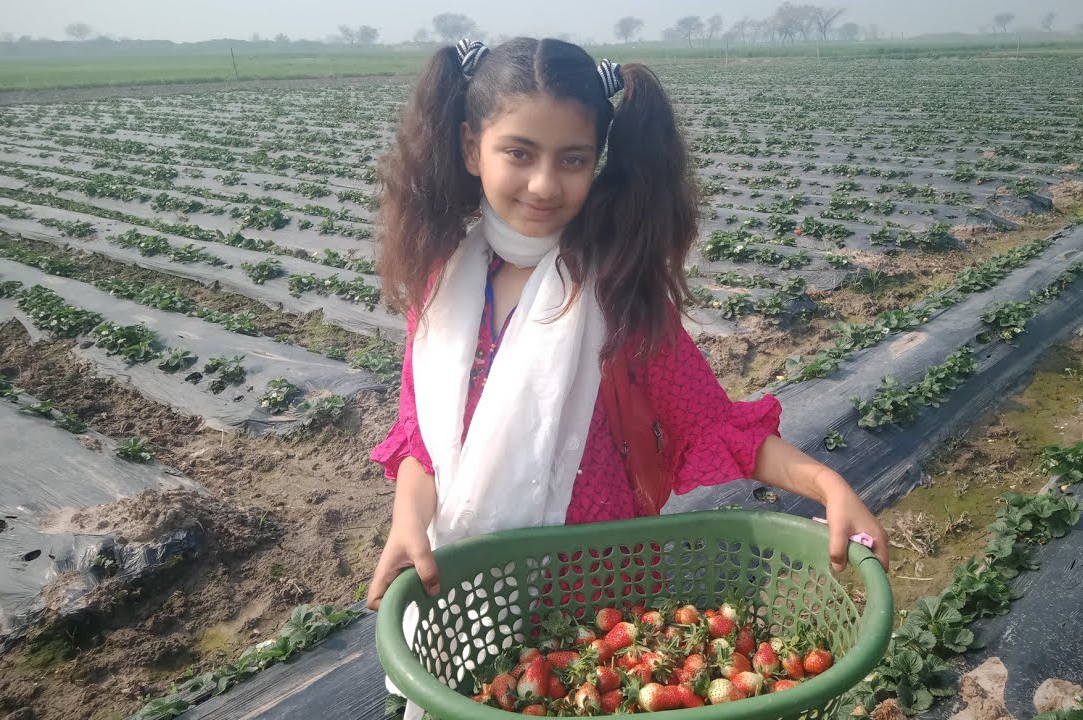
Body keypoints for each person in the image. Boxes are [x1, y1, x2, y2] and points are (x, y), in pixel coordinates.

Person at [365, 37, 889, 616]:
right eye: (519, 153)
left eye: (572, 159)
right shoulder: (441, 287)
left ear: (597, 163)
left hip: (602, 593)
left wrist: (828, 485)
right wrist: (408, 520)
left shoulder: (615, 294)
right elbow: (422, 443)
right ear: (471, 147)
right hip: (462, 586)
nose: (544, 183)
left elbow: (709, 425)